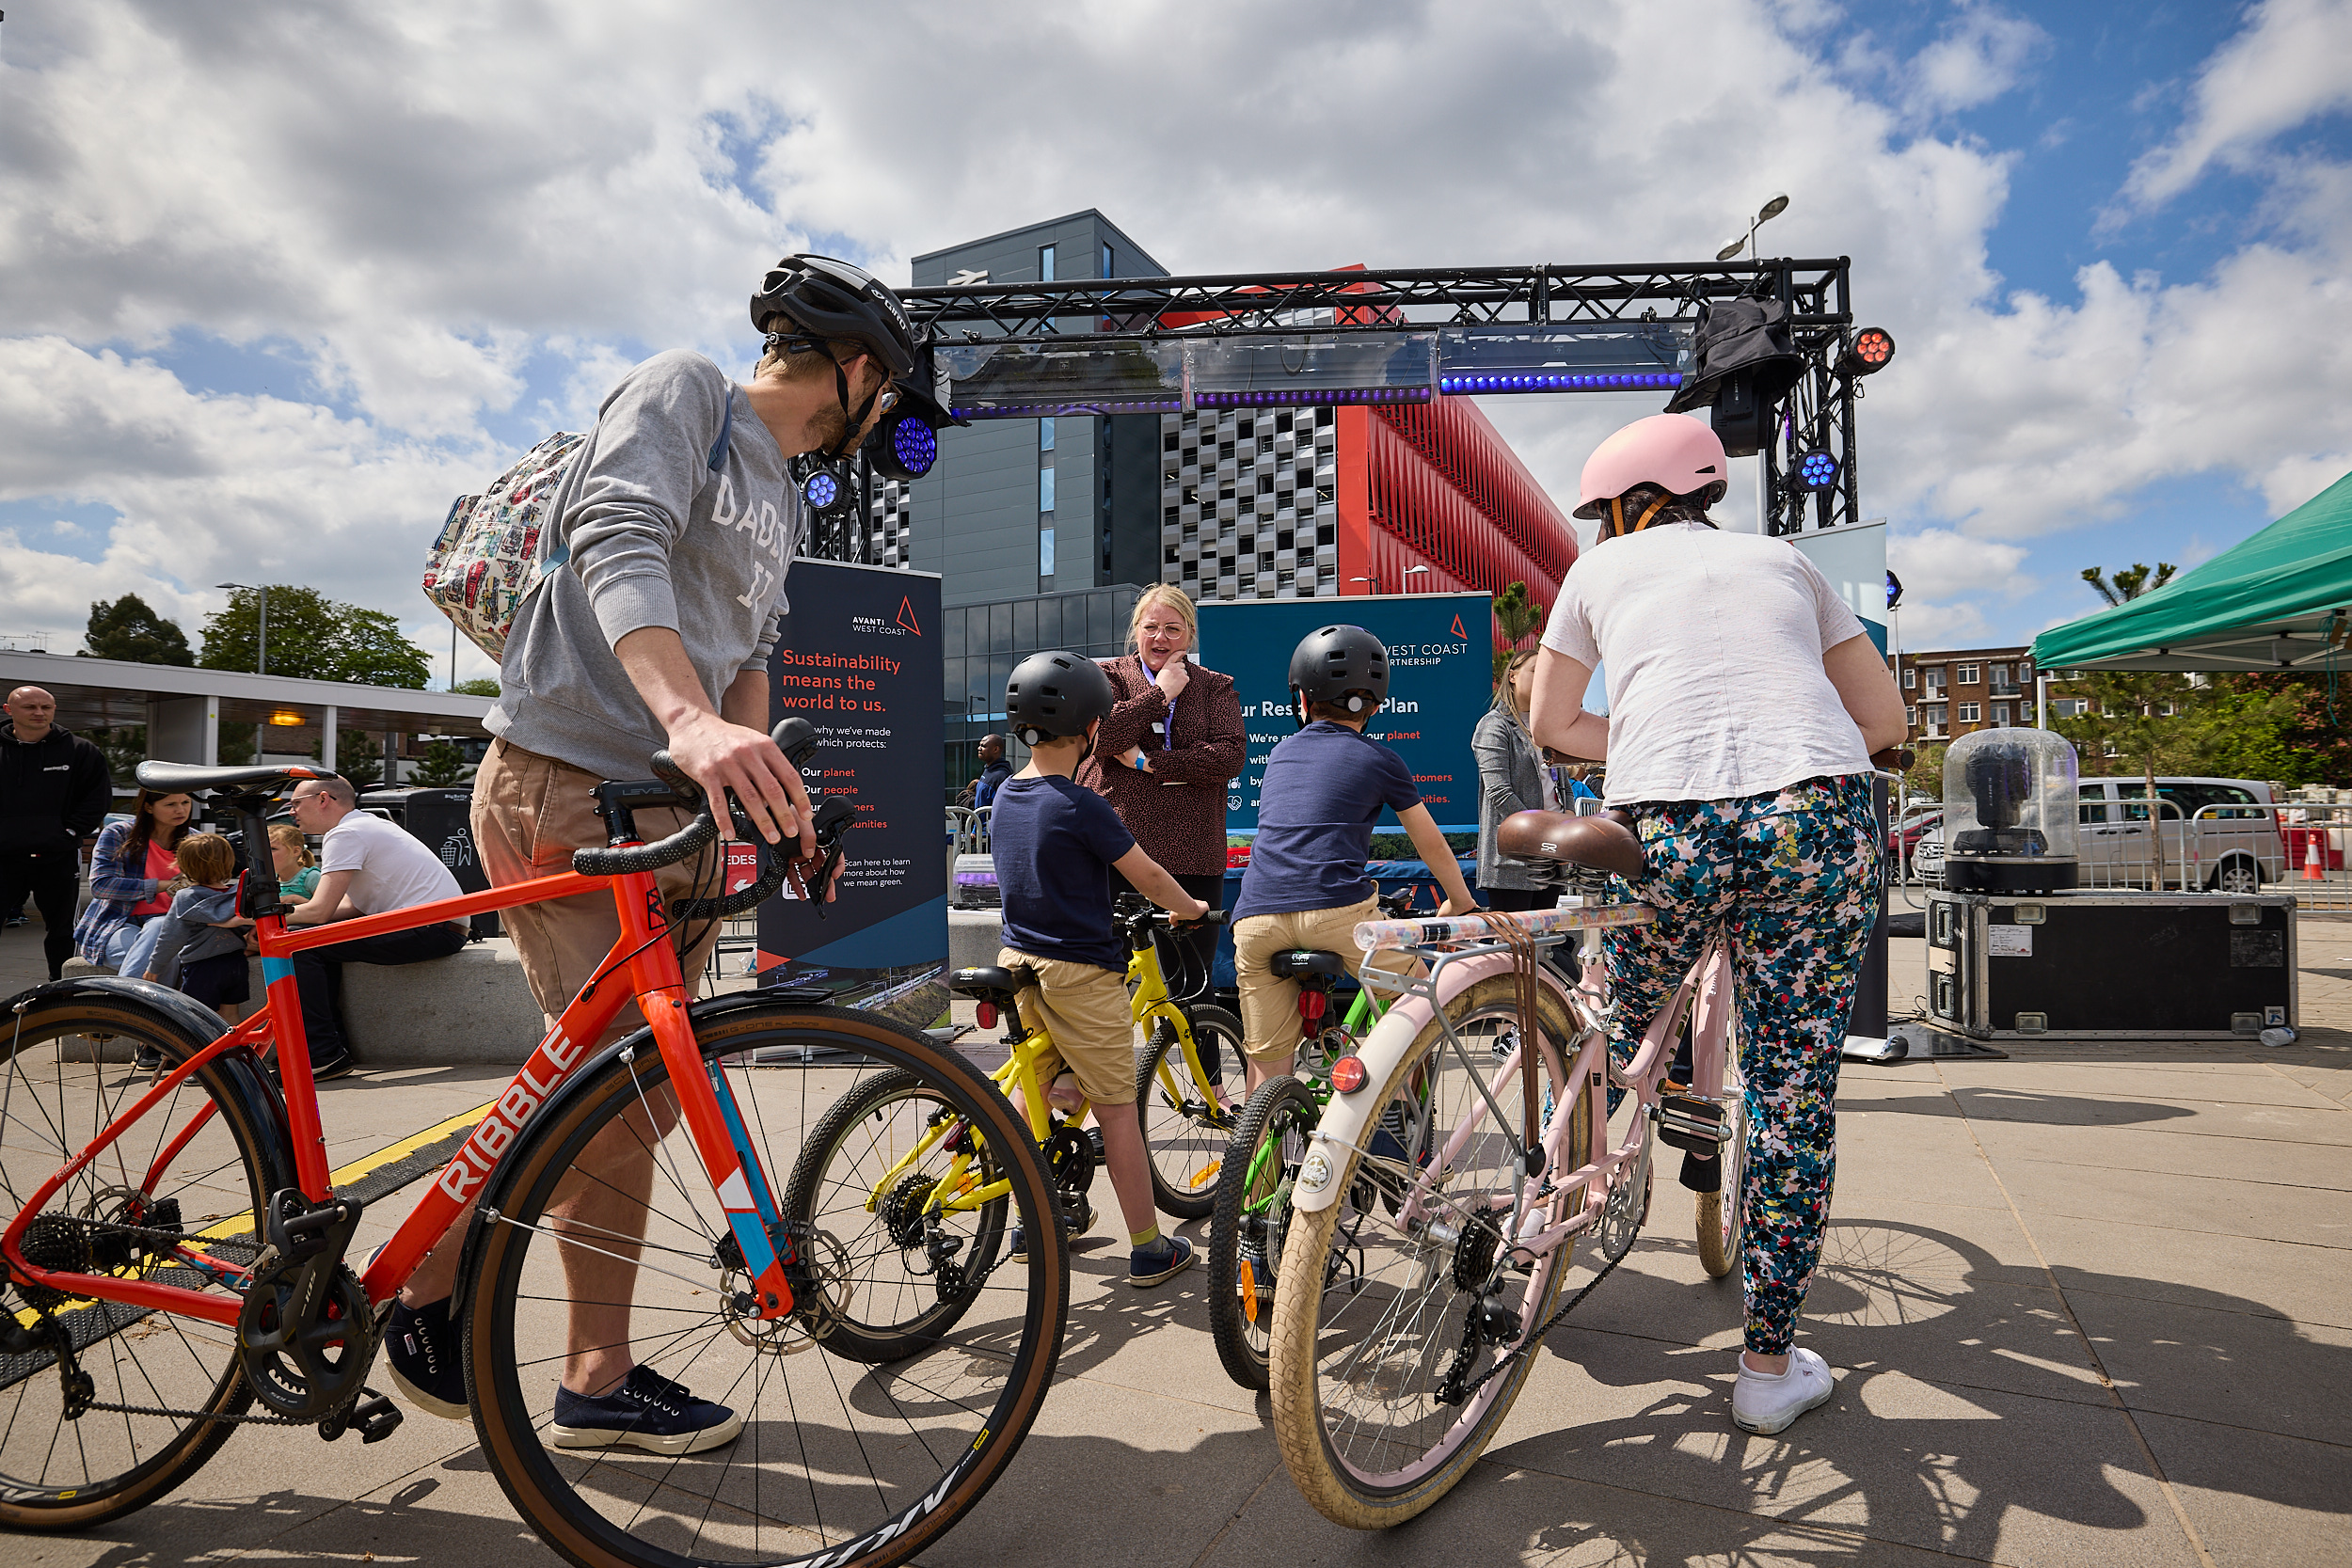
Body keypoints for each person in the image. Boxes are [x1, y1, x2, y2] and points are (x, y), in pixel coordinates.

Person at [385, 254, 921, 1454]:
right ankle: (531, 1336)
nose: (885, 416)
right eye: (889, 392)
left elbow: (748, 657)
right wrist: (685, 723)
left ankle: (492, 1306)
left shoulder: (779, 492)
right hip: (566, 780)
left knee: (632, 1096)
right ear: (860, 366)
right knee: (615, 1090)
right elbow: (614, 531)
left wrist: (772, 801)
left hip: (655, 815)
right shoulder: (692, 396)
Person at [1526, 412, 1905, 1437]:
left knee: (1620, 1021)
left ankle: (1577, 1137)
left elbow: (1551, 723)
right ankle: (1768, 1366)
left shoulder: (1597, 577)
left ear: (1622, 505)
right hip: (1813, 823)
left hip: (1669, 826)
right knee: (1789, 1096)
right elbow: (1883, 726)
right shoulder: (1784, 560)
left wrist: (1655, 728)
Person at [993, 650, 1211, 1286]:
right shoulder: (1081, 802)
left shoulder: (1007, 792)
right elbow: (1144, 872)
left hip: (1018, 961)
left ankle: (1038, 1221)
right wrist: (1190, 905)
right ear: (1092, 728)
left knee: (1049, 1089)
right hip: (1078, 971)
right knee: (1118, 1108)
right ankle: (1148, 1245)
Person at [1230, 626, 1478, 1094]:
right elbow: (1431, 843)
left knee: (1265, 1063)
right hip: (1337, 913)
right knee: (1417, 1006)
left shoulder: (1281, 753)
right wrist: (1461, 901)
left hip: (1256, 917)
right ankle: (1401, 1132)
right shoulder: (1381, 759)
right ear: (1376, 707)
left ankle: (1259, 1152)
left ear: (1301, 701)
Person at [1077, 585, 1246, 1010]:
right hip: (1115, 850)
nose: (1161, 638)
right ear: (1136, 631)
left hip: (1193, 851)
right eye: (1151, 627)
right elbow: (1103, 737)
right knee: (1100, 979)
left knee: (1192, 983)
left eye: (1173, 628)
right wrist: (1162, 693)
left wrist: (1148, 763)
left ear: (1189, 635)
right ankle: (1087, 1075)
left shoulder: (1215, 686)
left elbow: (1229, 756)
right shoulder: (1108, 676)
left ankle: (1210, 1080)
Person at [280, 776, 467, 1080]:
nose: (292, 812)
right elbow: (353, 908)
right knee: (313, 942)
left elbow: (320, 911)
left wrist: (263, 919)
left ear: (323, 799)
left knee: (301, 946)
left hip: (430, 927)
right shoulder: (369, 825)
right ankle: (328, 1052)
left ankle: (323, 1054)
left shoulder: (345, 833)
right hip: (443, 926)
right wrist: (295, 913)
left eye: (296, 804)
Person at [1, 685, 112, 982]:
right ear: (9, 710)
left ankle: (62, 991)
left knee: (63, 931)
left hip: (58, 857)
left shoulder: (80, 751)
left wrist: (69, 832)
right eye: (30, 707)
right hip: (4, 857)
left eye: (46, 707)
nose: (39, 713)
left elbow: (97, 798)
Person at [1474, 650, 1594, 912]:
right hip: (1514, 857)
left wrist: (1568, 820)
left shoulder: (1548, 726)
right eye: (1534, 671)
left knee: (1545, 942)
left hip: (1552, 854)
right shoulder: (1495, 725)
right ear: (1513, 676)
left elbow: (1563, 782)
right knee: (1517, 945)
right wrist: (1539, 831)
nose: (1542, 678)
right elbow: (1499, 792)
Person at [76, 787, 195, 974]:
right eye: (171, 804)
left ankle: (123, 1002)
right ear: (148, 807)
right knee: (161, 957)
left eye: (185, 802)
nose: (181, 810)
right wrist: (163, 886)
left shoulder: (195, 841)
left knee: (162, 939)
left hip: (175, 926)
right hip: (119, 923)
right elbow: (102, 886)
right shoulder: (119, 833)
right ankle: (131, 1002)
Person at [140, 832, 253, 1024]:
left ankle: (187, 1055)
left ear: (184, 866)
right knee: (230, 1016)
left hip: (202, 966)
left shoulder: (186, 898)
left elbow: (170, 938)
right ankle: (233, 1053)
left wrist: (155, 967)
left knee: (194, 1019)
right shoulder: (235, 896)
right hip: (236, 963)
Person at [269, 822, 320, 903]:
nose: (265, 854)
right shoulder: (270, 879)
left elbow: (325, 910)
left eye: (273, 849)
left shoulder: (312, 877)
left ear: (295, 851)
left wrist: (295, 899)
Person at [960, 733, 1013, 809]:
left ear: (995, 749)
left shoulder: (1001, 776)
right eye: (979, 745)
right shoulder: (989, 770)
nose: (979, 748)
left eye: (983, 746)